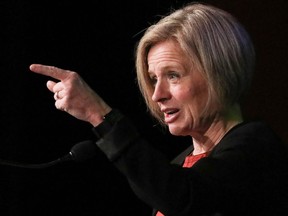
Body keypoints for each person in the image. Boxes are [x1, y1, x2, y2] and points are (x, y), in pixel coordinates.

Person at [29, 2, 288, 216]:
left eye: (173, 75)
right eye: (153, 79)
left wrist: (100, 114)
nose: (157, 95)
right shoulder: (179, 165)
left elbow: (184, 198)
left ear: (219, 74)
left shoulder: (256, 146)